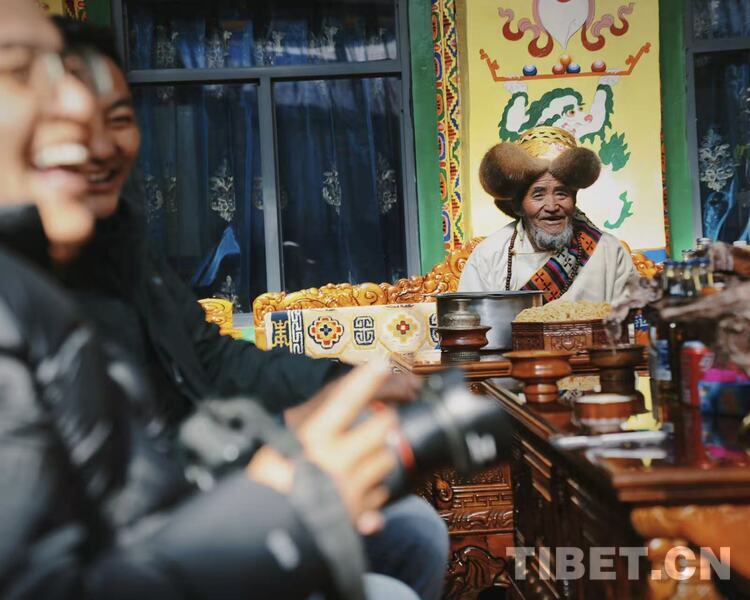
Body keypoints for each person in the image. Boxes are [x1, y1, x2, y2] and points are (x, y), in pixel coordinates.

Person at [0, 2, 420, 598]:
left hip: (188, 502)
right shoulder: (26, 295)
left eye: (117, 116)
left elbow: (210, 360)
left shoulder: (122, 253)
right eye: (19, 72)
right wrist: (270, 499)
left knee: (411, 530)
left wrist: (332, 382)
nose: (85, 123)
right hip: (189, 513)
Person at [459, 126, 635, 303]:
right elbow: (469, 318)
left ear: (574, 199)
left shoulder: (609, 252)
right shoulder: (488, 256)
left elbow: (634, 316)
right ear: (518, 205)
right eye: (538, 195)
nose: (551, 206)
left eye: (561, 193)